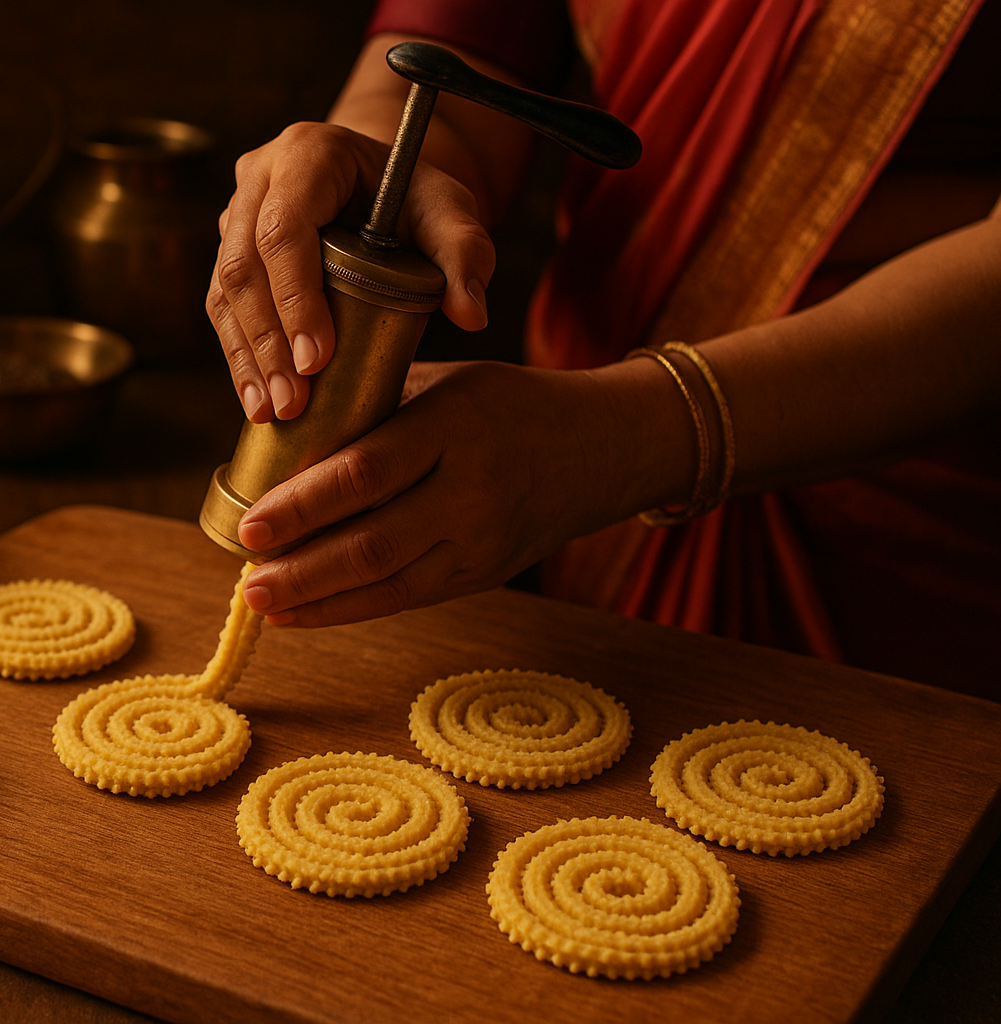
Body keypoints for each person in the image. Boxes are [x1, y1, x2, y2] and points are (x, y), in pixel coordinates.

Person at [204, 0, 1001, 697]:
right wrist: (362, 165)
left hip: (901, 572)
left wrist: (624, 440)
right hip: (568, 529)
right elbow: (454, 71)